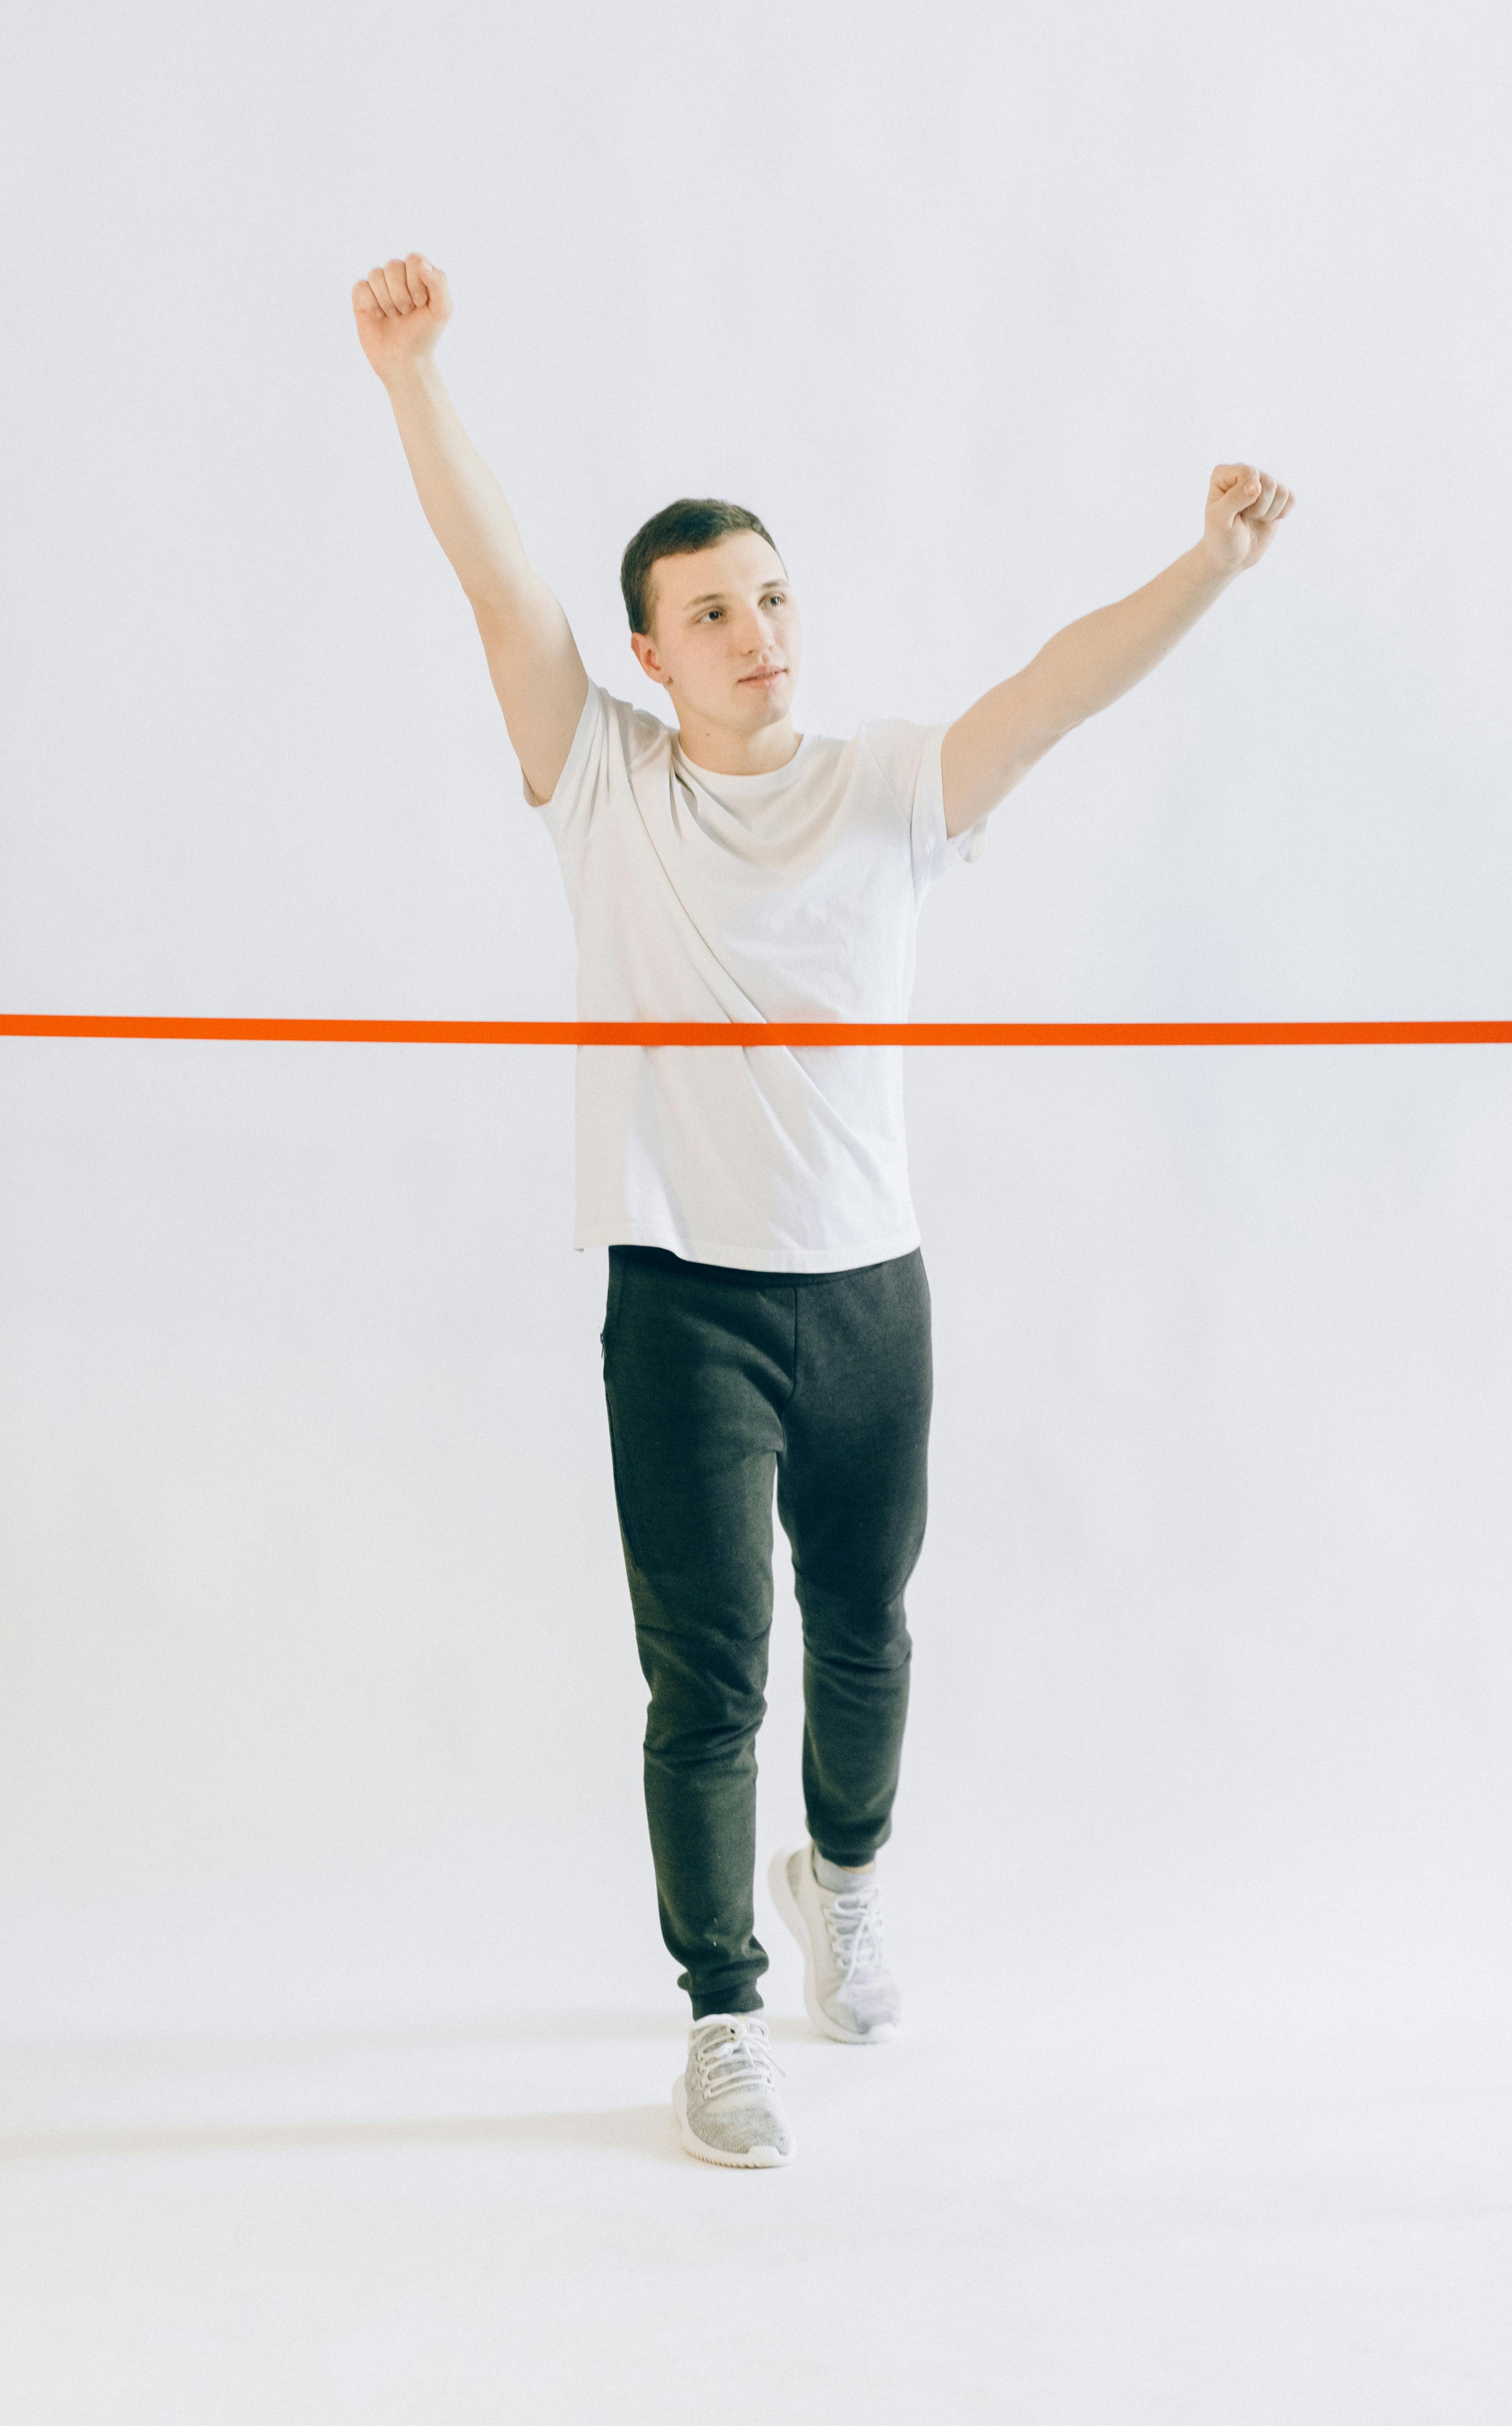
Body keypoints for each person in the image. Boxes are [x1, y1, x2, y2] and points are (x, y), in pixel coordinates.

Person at [352, 249, 1295, 2169]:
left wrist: (1203, 561)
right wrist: (417, 378)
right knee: (710, 1674)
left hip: (868, 1295)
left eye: (771, 596)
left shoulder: (885, 789)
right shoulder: (599, 788)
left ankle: (837, 1876)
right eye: (709, 612)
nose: (756, 630)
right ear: (648, 657)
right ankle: (714, 2014)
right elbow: (495, 585)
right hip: (683, 1298)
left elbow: (1051, 689)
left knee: (866, 1634)